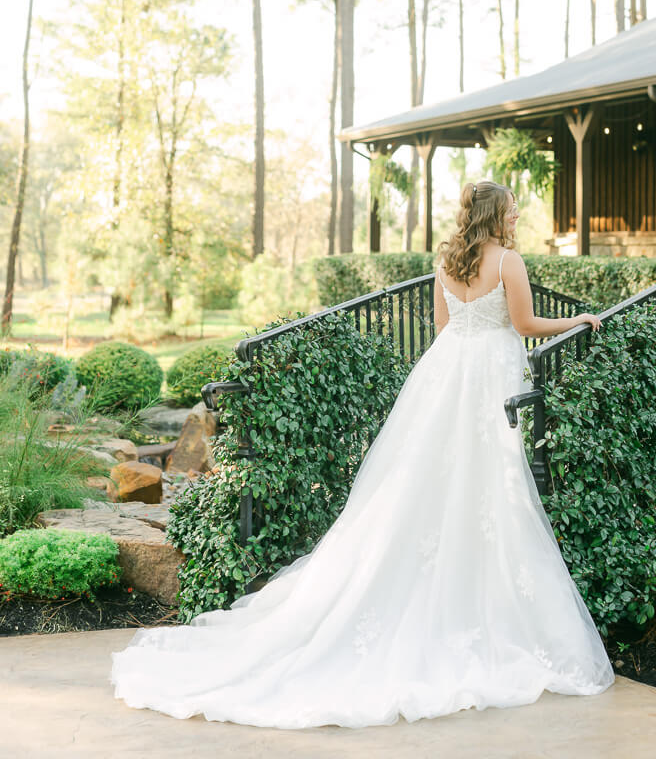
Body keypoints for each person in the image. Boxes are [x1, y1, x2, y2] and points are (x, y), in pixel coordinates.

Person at [111, 180, 615, 728]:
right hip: (491, 374)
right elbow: (523, 326)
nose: (516, 219)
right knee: (491, 486)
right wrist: (578, 322)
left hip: (445, 375)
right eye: (513, 211)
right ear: (498, 216)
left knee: (428, 483)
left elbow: (445, 328)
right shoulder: (508, 262)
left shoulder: (447, 261)